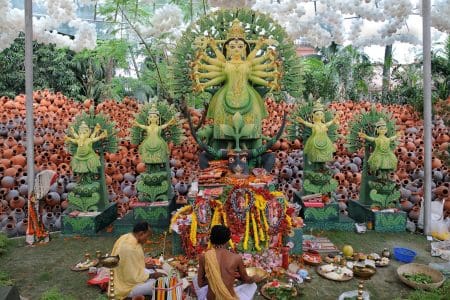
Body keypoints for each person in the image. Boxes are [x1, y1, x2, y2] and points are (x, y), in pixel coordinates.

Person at [191, 19, 281, 144]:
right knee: (221, 120)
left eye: (240, 46)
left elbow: (260, 73)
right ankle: (220, 141)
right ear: (227, 48)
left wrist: (269, 82)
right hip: (225, 97)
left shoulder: (249, 64)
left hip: (248, 96)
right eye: (232, 47)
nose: (236, 49)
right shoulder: (224, 64)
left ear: (244, 48)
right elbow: (213, 73)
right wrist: (204, 83)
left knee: (253, 119)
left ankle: (253, 141)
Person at [195, 225, 262, 300]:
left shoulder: (204, 257)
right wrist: (255, 278)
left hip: (211, 298)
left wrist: (213, 277)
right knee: (252, 286)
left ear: (211, 239)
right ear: (228, 239)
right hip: (229, 297)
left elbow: (200, 284)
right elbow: (247, 280)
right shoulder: (236, 258)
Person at [110, 222, 166, 300]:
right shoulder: (130, 248)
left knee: (151, 271)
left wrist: (146, 266)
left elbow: (131, 264)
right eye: (147, 237)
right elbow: (132, 277)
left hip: (122, 278)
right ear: (141, 233)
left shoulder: (126, 237)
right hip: (125, 288)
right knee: (158, 285)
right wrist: (152, 275)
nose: (147, 240)